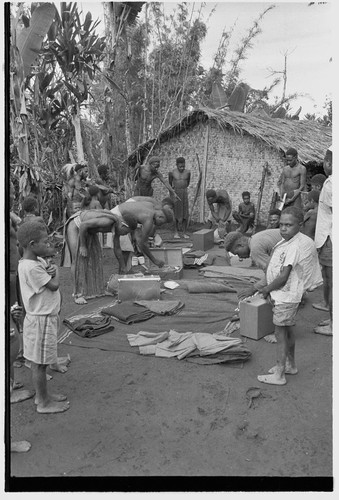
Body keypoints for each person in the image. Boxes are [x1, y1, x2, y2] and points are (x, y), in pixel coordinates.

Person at [255, 207, 322, 385]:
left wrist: (266, 289)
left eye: (289, 225)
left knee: (280, 334)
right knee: (288, 331)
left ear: (299, 225)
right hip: (289, 295)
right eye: (281, 224)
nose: (283, 228)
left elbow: (283, 277)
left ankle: (279, 373)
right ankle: (290, 365)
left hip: (286, 296)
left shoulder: (294, 246)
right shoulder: (290, 240)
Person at [224, 224, 322, 342]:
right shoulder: (256, 238)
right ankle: (298, 299)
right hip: (305, 246)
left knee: (282, 292)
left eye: (237, 252)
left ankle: (282, 333)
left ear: (241, 244)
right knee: (286, 284)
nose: (239, 256)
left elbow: (273, 275)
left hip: (302, 253)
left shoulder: (255, 249)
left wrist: (255, 288)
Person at [17, 220, 70, 413]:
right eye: (45, 242)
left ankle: (44, 395)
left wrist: (50, 270)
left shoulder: (34, 262)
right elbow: (53, 285)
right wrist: (56, 274)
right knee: (39, 364)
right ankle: (43, 401)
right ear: (32, 245)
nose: (48, 245)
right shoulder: (31, 267)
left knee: (42, 361)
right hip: (41, 320)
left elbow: (46, 273)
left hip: (43, 318)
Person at [313, 146, 332, 335]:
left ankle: (334, 325)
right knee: (328, 278)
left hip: (330, 239)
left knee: (331, 280)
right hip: (328, 239)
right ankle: (332, 316)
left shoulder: (332, 183)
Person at [168, 157, 191, 239]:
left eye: (183, 166)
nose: (182, 168)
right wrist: (172, 194)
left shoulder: (188, 172)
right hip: (176, 193)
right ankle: (176, 232)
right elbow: (170, 184)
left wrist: (183, 190)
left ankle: (184, 233)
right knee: (176, 213)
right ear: (176, 165)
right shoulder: (172, 173)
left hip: (184, 193)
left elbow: (187, 183)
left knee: (185, 214)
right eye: (180, 166)